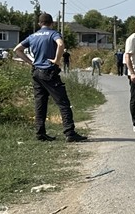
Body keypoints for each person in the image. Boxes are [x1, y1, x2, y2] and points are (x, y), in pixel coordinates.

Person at [11, 14, 88, 142]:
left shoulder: (33, 36)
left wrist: (31, 62)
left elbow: (17, 49)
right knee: (63, 102)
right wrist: (57, 60)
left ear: (39, 24)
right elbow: (61, 44)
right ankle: (69, 132)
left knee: (40, 103)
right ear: (52, 23)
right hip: (49, 71)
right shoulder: (53, 34)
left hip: (36, 72)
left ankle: (40, 133)